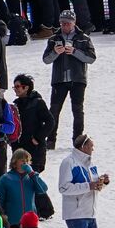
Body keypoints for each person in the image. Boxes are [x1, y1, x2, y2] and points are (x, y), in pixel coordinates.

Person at [43, 10, 94, 147]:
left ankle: (77, 141)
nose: (64, 26)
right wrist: (55, 52)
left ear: (74, 23)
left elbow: (91, 58)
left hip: (78, 80)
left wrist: (75, 52)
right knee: (54, 110)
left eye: (67, 23)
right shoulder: (54, 38)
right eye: (62, 23)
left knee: (77, 111)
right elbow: (46, 60)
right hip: (59, 80)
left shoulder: (84, 38)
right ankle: (51, 140)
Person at [58, 133, 106, 228]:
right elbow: (63, 187)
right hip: (76, 214)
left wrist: (102, 182)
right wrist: (88, 186)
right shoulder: (69, 162)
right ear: (83, 146)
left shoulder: (90, 164)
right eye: (91, 146)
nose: (93, 149)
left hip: (90, 213)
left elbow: (94, 184)